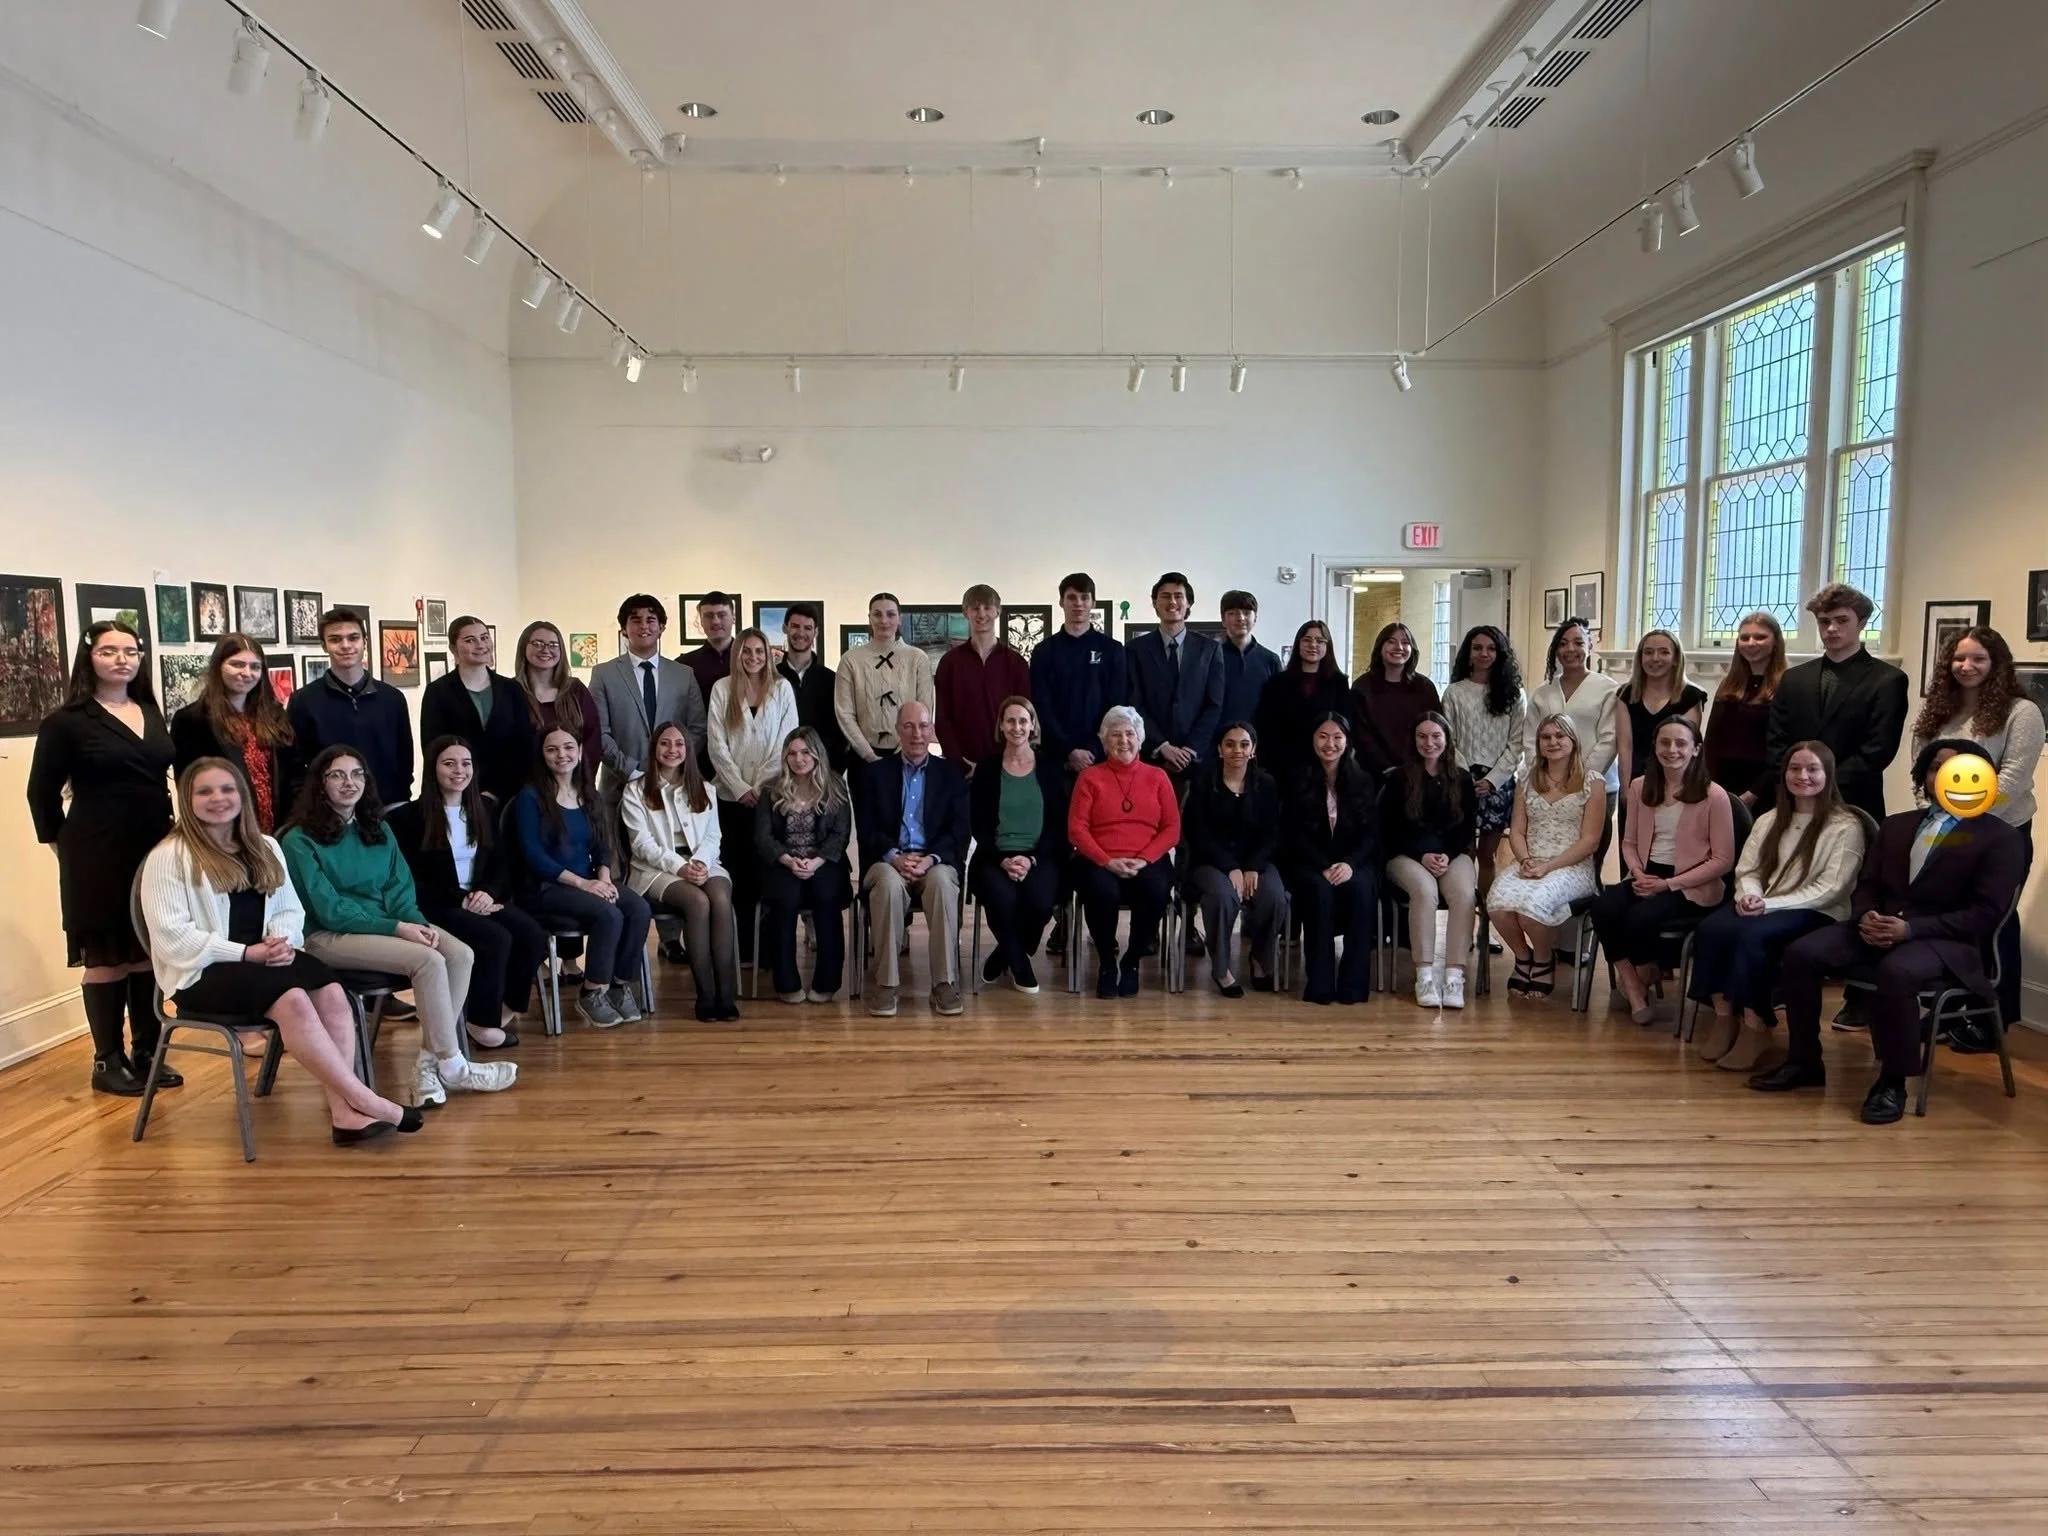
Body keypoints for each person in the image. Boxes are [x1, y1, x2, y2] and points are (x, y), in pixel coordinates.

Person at [139, 759, 422, 1145]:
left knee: (333, 992)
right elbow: (173, 938)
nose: (218, 798)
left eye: (227, 789)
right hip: (204, 970)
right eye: (204, 791)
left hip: (265, 959)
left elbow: (290, 909)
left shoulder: (264, 845)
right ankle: (363, 1098)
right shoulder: (169, 857)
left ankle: (344, 1114)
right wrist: (246, 953)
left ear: (242, 795)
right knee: (293, 1000)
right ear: (187, 800)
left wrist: (279, 941)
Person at [1758, 738, 2029, 1124]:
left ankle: (1892, 1082)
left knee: (1897, 972)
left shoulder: (2001, 838)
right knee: (1802, 953)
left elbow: (1985, 914)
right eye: (1937, 767)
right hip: (1878, 927)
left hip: (1948, 942)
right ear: (1926, 775)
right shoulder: (1897, 825)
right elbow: (1866, 884)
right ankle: (1804, 1062)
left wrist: (1910, 929)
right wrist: (1867, 914)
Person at [281, 745, 518, 1106]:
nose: (349, 783)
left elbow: (400, 888)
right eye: (337, 775)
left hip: (387, 925)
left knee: (460, 954)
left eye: (357, 774)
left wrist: (416, 923)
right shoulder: (299, 840)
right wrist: (398, 929)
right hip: (328, 936)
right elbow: (330, 910)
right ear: (320, 784)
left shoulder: (376, 828)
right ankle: (454, 1066)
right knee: (429, 960)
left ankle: (428, 1064)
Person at [27, 619, 176, 1096]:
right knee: (108, 955)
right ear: (89, 657)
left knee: (147, 952)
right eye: (110, 651)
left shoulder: (150, 710)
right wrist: (61, 846)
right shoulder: (67, 721)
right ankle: (106, 1059)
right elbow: (41, 794)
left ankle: (147, 1050)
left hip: (153, 846)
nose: (122, 660)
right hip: (96, 851)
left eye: (130, 651)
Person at [1687, 742, 1865, 1073]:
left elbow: (1830, 889)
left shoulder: (1845, 826)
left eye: (1813, 769)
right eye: (1795, 768)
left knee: (1750, 937)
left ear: (1828, 774)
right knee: (1711, 929)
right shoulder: (1770, 819)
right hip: (1763, 902)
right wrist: (1749, 896)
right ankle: (1725, 1018)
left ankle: (1757, 1024)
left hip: (1816, 911)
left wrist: (1767, 905)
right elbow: (1749, 869)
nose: (1803, 776)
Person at [1907, 624, 2042, 1032]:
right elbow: (1921, 774)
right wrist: (1936, 820)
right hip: (1942, 833)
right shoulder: (1936, 712)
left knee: (1994, 919)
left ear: (1997, 663)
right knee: (1947, 916)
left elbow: (2012, 778)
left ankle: (1992, 1019)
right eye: (1959, 658)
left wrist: (1963, 822)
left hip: (2001, 833)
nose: (1966, 666)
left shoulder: (2022, 712)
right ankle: (1949, 1010)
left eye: (1978, 658)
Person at [387, 735, 550, 1053]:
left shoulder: (485, 809)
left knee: (532, 934)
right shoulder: (406, 819)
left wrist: (488, 892)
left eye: (466, 763)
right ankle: (479, 1020)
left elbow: (502, 865)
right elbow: (408, 880)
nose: (459, 770)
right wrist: (459, 900)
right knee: (496, 938)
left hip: (480, 898)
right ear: (433, 769)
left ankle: (504, 1008)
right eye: (449, 763)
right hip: (435, 904)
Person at [1589, 718, 1735, 1025]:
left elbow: (1723, 860)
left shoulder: (1714, 795)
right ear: (1654, 747)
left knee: (1639, 918)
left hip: (1693, 882)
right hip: (1647, 874)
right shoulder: (1640, 787)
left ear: (1696, 749)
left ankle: (1643, 978)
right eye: (1664, 742)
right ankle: (1632, 982)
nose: (1672, 750)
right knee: (1603, 906)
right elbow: (1628, 842)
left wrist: (1669, 885)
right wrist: (1639, 874)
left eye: (1681, 743)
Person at [508, 728, 655, 1028]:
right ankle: (591, 991)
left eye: (568, 747)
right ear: (542, 754)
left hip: (589, 880)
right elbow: (532, 855)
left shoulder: (589, 793)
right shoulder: (530, 797)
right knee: (608, 914)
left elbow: (602, 844)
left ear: (578, 751)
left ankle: (618, 985)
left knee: (638, 908)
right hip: (545, 887)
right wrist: (585, 885)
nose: (561, 755)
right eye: (552, 749)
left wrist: (604, 878)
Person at [853, 700, 969, 1018]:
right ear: (897, 731)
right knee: (889, 886)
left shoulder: (951, 774)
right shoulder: (875, 774)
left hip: (934, 862)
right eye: (908, 726)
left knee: (944, 884)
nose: (916, 733)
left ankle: (944, 983)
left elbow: (959, 832)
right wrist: (894, 857)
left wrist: (931, 859)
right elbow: (868, 829)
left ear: (932, 730)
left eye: (922, 726)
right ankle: (886, 984)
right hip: (888, 861)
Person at [623, 722, 740, 1021]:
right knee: (698, 902)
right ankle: (705, 995)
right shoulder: (635, 790)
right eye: (665, 743)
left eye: (679, 744)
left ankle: (726, 995)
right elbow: (641, 845)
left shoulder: (706, 788)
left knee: (720, 899)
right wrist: (681, 867)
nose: (672, 750)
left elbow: (714, 836)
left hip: (704, 861)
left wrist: (700, 862)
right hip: (655, 869)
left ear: (688, 750)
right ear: (654, 748)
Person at [1766, 582, 1909, 823]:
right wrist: (1798, 780)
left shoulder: (1886, 680)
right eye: (1824, 621)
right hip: (1795, 799)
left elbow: (1878, 749)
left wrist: (1821, 782)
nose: (1831, 628)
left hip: (1853, 799)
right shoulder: (1794, 678)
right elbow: (1776, 739)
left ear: (1861, 623)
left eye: (1842, 620)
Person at [1068, 705, 1181, 999]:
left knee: (1156, 887)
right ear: (1104, 742)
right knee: (1100, 890)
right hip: (1099, 860)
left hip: (1147, 859)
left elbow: (1171, 828)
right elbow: (1077, 829)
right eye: (1115, 735)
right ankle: (1107, 962)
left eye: (1129, 734)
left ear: (1140, 739)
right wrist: (1107, 861)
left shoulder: (1157, 777)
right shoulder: (1089, 778)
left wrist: (1143, 859)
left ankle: (1131, 961)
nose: (1123, 741)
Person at [1489, 714, 1607, 998]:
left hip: (1572, 865)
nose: (1553, 742)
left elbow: (1590, 841)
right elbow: (1516, 830)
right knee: (1497, 905)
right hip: (1530, 860)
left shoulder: (1593, 782)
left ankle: (1543, 960)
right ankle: (1523, 956)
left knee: (1531, 907)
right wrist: (1526, 859)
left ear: (1573, 740)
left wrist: (1549, 867)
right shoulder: (1528, 779)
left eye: (1560, 736)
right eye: (1546, 737)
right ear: (1539, 743)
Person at [706, 627, 797, 962]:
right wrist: (741, 788)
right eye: (747, 651)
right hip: (730, 800)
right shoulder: (722, 689)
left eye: (759, 651)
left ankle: (770, 950)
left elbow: (785, 743)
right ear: (737, 654)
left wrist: (759, 788)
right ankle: (742, 949)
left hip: (770, 798)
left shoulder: (782, 688)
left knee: (768, 871)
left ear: (769, 654)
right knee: (737, 873)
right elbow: (716, 746)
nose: (753, 657)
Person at [970, 697, 1068, 994]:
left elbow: (1057, 825)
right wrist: (1003, 859)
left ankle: (1004, 954)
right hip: (994, 856)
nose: (1017, 727)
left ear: (1033, 725)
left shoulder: (1049, 767)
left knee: (1039, 903)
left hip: (1041, 855)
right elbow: (978, 823)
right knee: (1002, 899)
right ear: (1001, 726)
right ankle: (1020, 965)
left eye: (1023, 720)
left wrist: (1031, 859)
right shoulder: (987, 768)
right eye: (1010, 721)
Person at [1280, 713, 1379, 1006]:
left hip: (1353, 862)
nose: (1330, 744)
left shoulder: (1362, 780)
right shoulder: (1297, 779)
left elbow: (1370, 834)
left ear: (1347, 742)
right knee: (1318, 892)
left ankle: (1353, 984)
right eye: (1323, 736)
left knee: (1362, 890)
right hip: (1310, 863)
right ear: (1312, 740)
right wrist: (1323, 865)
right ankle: (1320, 981)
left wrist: (1348, 864)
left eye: (1337, 737)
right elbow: (1292, 833)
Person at [1381, 712, 1479, 1009]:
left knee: (1464, 894)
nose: (1429, 742)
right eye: (1422, 736)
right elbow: (1389, 829)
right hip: (1406, 855)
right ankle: (1424, 974)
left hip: (1451, 853)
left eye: (1436, 736)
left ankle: (1453, 976)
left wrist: (1445, 855)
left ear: (1447, 739)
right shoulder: (1398, 778)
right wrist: (1422, 855)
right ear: (1413, 740)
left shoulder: (1461, 779)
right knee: (1425, 891)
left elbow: (1465, 827)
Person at [1181, 722, 1282, 996]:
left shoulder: (1266, 784)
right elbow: (1197, 833)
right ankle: (1222, 969)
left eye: (1244, 744)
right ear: (1219, 748)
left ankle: (1260, 957)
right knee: (1223, 896)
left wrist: (1252, 866)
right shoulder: (1203, 783)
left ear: (1253, 749)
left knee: (1274, 896)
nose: (1237, 750)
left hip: (1255, 862)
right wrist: (1231, 867)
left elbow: (1272, 832)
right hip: (1209, 863)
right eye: (1230, 744)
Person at [755, 728, 853, 1003]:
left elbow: (840, 835)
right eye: (792, 753)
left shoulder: (835, 786)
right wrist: (788, 860)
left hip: (825, 861)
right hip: (784, 862)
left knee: (826, 897)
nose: (799, 759)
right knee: (784, 899)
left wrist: (816, 861)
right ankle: (786, 983)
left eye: (805, 752)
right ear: (785, 757)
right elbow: (764, 838)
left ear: (817, 754)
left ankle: (827, 983)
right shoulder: (770, 790)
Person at [285, 607, 415, 811]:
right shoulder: (304, 701)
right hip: (329, 814)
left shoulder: (393, 699)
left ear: (365, 641)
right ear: (324, 645)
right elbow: (294, 767)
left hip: (386, 811)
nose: (346, 645)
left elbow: (405, 762)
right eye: (335, 639)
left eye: (353, 638)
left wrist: (400, 803)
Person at [589, 593, 708, 810]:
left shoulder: (684, 674)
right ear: (624, 629)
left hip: (674, 787)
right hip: (620, 788)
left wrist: (670, 770)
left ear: (661, 627)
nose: (644, 626)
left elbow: (698, 730)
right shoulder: (603, 674)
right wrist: (631, 773)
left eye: (651, 620)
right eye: (635, 620)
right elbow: (599, 732)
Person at [170, 632, 293, 834]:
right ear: (219, 666)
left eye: (255, 667)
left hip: (277, 831)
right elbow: (189, 786)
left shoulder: (275, 716)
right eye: (237, 664)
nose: (247, 673)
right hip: (223, 832)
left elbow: (293, 773)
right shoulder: (192, 720)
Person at [1442, 625, 1526, 904]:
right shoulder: (1454, 692)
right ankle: (1464, 923)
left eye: (1491, 648)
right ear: (1468, 652)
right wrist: (1466, 777)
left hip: (1497, 783)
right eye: (1477, 648)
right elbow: (1447, 739)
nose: (1484, 653)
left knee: (1487, 856)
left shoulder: (1514, 695)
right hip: (1460, 780)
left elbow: (1517, 743)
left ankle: (1486, 925)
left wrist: (1493, 780)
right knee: (1463, 855)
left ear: (1500, 653)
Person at [419, 616, 535, 805]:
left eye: (484, 638)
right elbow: (433, 747)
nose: (480, 645)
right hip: (456, 794)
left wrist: (498, 791)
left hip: (508, 794)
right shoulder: (438, 691)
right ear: (453, 648)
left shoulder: (511, 689)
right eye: (470, 640)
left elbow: (523, 744)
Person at [835, 592, 938, 797]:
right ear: (869, 618)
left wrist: (902, 750)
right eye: (877, 614)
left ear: (899, 618)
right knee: (868, 826)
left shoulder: (917, 658)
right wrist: (867, 753)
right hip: (862, 759)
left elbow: (925, 709)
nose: (884, 620)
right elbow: (844, 712)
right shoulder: (850, 660)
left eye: (890, 614)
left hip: (908, 756)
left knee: (907, 823)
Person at [1125, 571, 1224, 782]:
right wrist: (1162, 746)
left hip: (1197, 761)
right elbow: (1134, 703)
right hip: (1150, 758)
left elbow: (1214, 705)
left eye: (1178, 596)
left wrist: (1190, 749)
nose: (1172, 602)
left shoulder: (1210, 649)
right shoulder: (1135, 649)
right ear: (1155, 603)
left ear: (1189, 603)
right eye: (1165, 596)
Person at [1030, 574, 1128, 776]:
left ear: (1093, 602)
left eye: (1084, 598)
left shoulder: (1112, 650)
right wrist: (1069, 750)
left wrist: (1093, 749)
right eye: (1072, 597)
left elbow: (1116, 705)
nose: (1078, 604)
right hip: (1055, 759)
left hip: (1100, 757)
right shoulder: (1043, 651)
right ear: (1061, 602)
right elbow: (1041, 706)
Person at [935, 583, 1032, 777]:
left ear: (998, 611)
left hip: (1006, 766)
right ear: (966, 612)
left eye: (987, 607)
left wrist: (1010, 760)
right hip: (961, 769)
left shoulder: (1016, 663)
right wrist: (959, 761)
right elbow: (943, 719)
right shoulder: (950, 663)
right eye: (975, 608)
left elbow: (1026, 717)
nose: (981, 614)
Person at [1524, 618, 1621, 806]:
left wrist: (1579, 779)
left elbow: (1609, 740)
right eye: (1563, 644)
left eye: (1578, 643)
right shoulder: (1543, 692)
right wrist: (1544, 776)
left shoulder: (1608, 690)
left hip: (1596, 785)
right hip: (1548, 787)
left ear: (1589, 646)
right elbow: (1530, 740)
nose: (1570, 649)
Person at [1613, 629, 1707, 811]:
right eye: (1648, 652)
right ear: (1640, 658)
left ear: (1676, 659)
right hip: (1635, 781)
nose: (1655, 658)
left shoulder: (1691, 697)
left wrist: (1675, 791)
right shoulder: (1626, 694)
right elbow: (1625, 746)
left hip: (1675, 783)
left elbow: (1684, 750)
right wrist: (1626, 789)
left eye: (1664, 652)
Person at [1254, 619, 1351, 789]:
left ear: (1327, 647)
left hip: (1325, 764)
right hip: (1283, 766)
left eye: (1320, 640)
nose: (1312, 644)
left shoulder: (1339, 683)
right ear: (1298, 644)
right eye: (1306, 640)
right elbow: (1266, 726)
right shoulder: (1277, 683)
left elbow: (1345, 726)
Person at [1703, 612, 1786, 806]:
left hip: (1764, 787)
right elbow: (1711, 739)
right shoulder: (1729, 683)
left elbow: (1784, 746)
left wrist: (1754, 792)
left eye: (1760, 637)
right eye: (1744, 637)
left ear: (1775, 642)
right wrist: (1711, 784)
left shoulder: (1788, 684)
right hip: (1722, 783)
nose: (1751, 643)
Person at [1350, 621, 1441, 778]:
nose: (1398, 647)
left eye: (1405, 643)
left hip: (1418, 771)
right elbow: (1360, 734)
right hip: (1372, 774)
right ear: (1380, 648)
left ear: (1412, 650)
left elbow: (1435, 730)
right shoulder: (1362, 687)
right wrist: (1385, 768)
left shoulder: (1425, 687)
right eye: (1391, 641)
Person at [513, 620, 604, 770]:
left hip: (572, 786)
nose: (545, 649)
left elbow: (593, 741)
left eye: (553, 645)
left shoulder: (575, 690)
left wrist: (579, 783)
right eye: (538, 643)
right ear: (524, 647)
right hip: (523, 787)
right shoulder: (511, 691)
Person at [776, 603, 848, 774]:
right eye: (795, 626)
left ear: (815, 632)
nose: (801, 633)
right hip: (778, 774)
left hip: (823, 776)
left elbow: (841, 733)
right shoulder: (771, 678)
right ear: (785, 628)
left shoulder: (832, 680)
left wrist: (832, 771)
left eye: (807, 628)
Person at [1215, 590, 1283, 751]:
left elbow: (1278, 708)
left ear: (1255, 618)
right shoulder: (1211, 658)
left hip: (1261, 746)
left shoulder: (1270, 659)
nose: (1240, 618)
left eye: (1246, 612)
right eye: (1233, 613)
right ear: (1223, 620)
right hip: (1220, 746)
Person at [679, 591, 739, 698]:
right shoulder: (684, 665)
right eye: (708, 616)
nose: (715, 621)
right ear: (701, 621)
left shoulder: (750, 660)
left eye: (722, 615)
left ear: (733, 618)